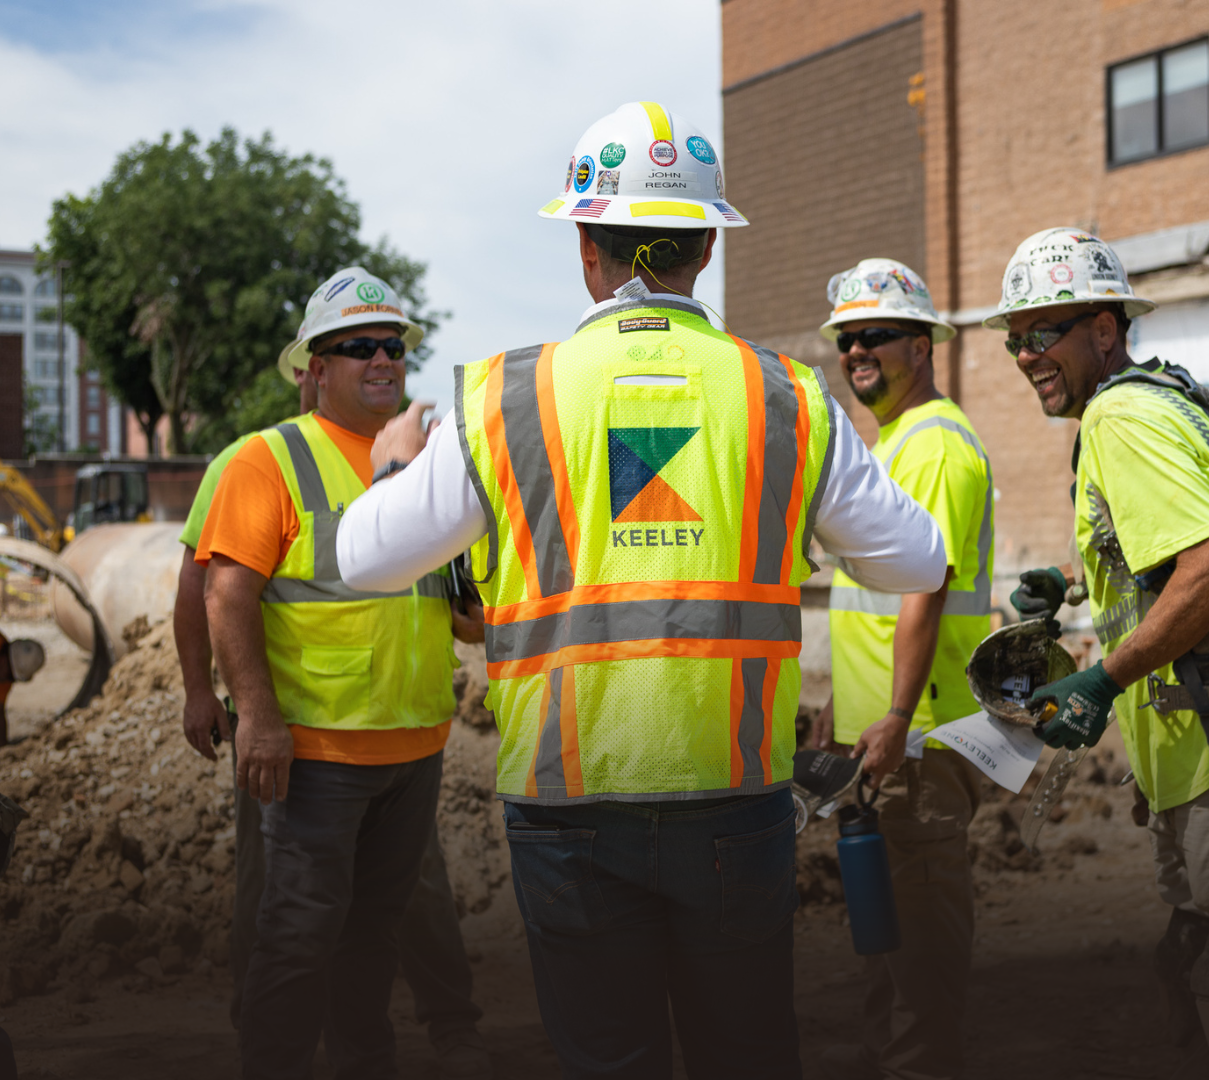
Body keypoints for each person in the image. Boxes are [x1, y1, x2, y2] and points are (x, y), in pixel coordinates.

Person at [333, 101, 946, 1080]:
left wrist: (394, 463)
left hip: (566, 804)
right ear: (704, 246)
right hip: (735, 798)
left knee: (606, 1060)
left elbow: (363, 559)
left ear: (586, 247)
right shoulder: (787, 396)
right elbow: (918, 562)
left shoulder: (501, 397)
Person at [993, 228, 1209, 1078]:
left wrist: (1100, 679)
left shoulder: (1117, 417)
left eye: (1043, 331)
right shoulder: (1166, 397)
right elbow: (1169, 547)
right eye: (1012, 337)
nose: (1025, 354)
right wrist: (1070, 581)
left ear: (1105, 329)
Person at [197, 266, 488, 1080]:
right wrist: (254, 716)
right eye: (356, 347)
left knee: (371, 943)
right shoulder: (268, 460)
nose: (382, 359)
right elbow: (224, 593)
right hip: (317, 753)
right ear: (314, 370)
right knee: (294, 938)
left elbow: (454, 601)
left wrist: (479, 615)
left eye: (392, 345)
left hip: (414, 745)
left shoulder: (430, 462)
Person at [809, 259, 992, 1080]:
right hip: (884, 735)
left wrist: (891, 717)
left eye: (872, 336)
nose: (855, 352)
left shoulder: (939, 448)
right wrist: (846, 715)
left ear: (920, 347)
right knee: (886, 939)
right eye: (845, 340)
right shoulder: (892, 447)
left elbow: (925, 592)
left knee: (920, 950)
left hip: (919, 738)